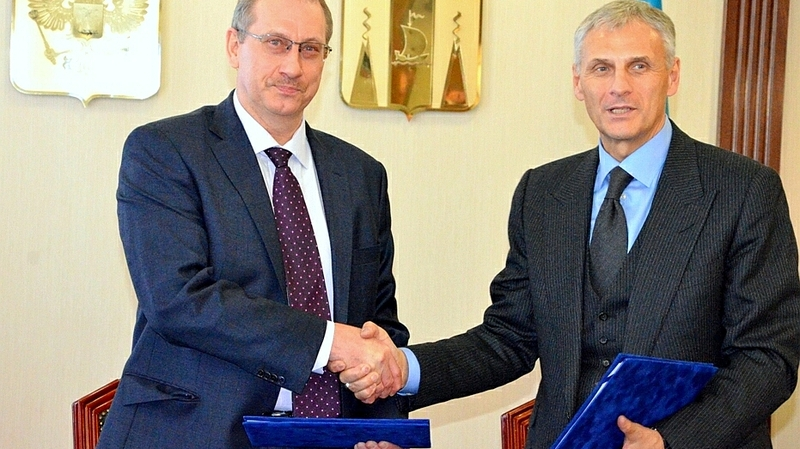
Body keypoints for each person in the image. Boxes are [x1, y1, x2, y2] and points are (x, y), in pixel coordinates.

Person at [340, 1, 800, 448]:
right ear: (578, 82)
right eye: (601, 68)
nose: (619, 86)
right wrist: (403, 367)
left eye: (639, 66)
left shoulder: (743, 191)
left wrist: (669, 441)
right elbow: (509, 338)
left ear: (673, 75)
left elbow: (768, 356)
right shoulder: (543, 193)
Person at [97, 0, 407, 448]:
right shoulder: (165, 151)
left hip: (337, 437)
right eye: (276, 43)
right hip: (195, 432)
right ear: (234, 46)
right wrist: (327, 343)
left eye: (310, 48)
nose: (293, 67)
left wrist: (386, 429)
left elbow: (378, 327)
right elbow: (178, 300)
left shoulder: (361, 174)